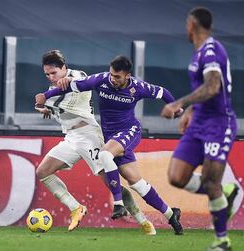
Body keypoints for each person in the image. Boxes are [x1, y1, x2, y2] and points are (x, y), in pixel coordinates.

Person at [35, 55, 183, 235]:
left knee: (107, 162)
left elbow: (162, 92)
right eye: (47, 74)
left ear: (128, 75)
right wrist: (46, 98)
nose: (113, 79)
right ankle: (170, 214)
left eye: (53, 72)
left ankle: (122, 207)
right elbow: (64, 93)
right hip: (79, 137)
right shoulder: (102, 80)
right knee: (135, 182)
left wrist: (176, 107)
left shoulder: (134, 87)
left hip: (106, 133)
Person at [161, 7, 239, 251]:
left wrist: (180, 103)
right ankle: (226, 191)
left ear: (191, 25)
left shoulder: (211, 50)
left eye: (186, 24)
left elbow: (213, 86)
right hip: (199, 123)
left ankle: (222, 241)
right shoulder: (198, 54)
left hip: (219, 124)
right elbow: (204, 89)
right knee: (176, 176)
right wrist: (192, 113)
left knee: (210, 180)